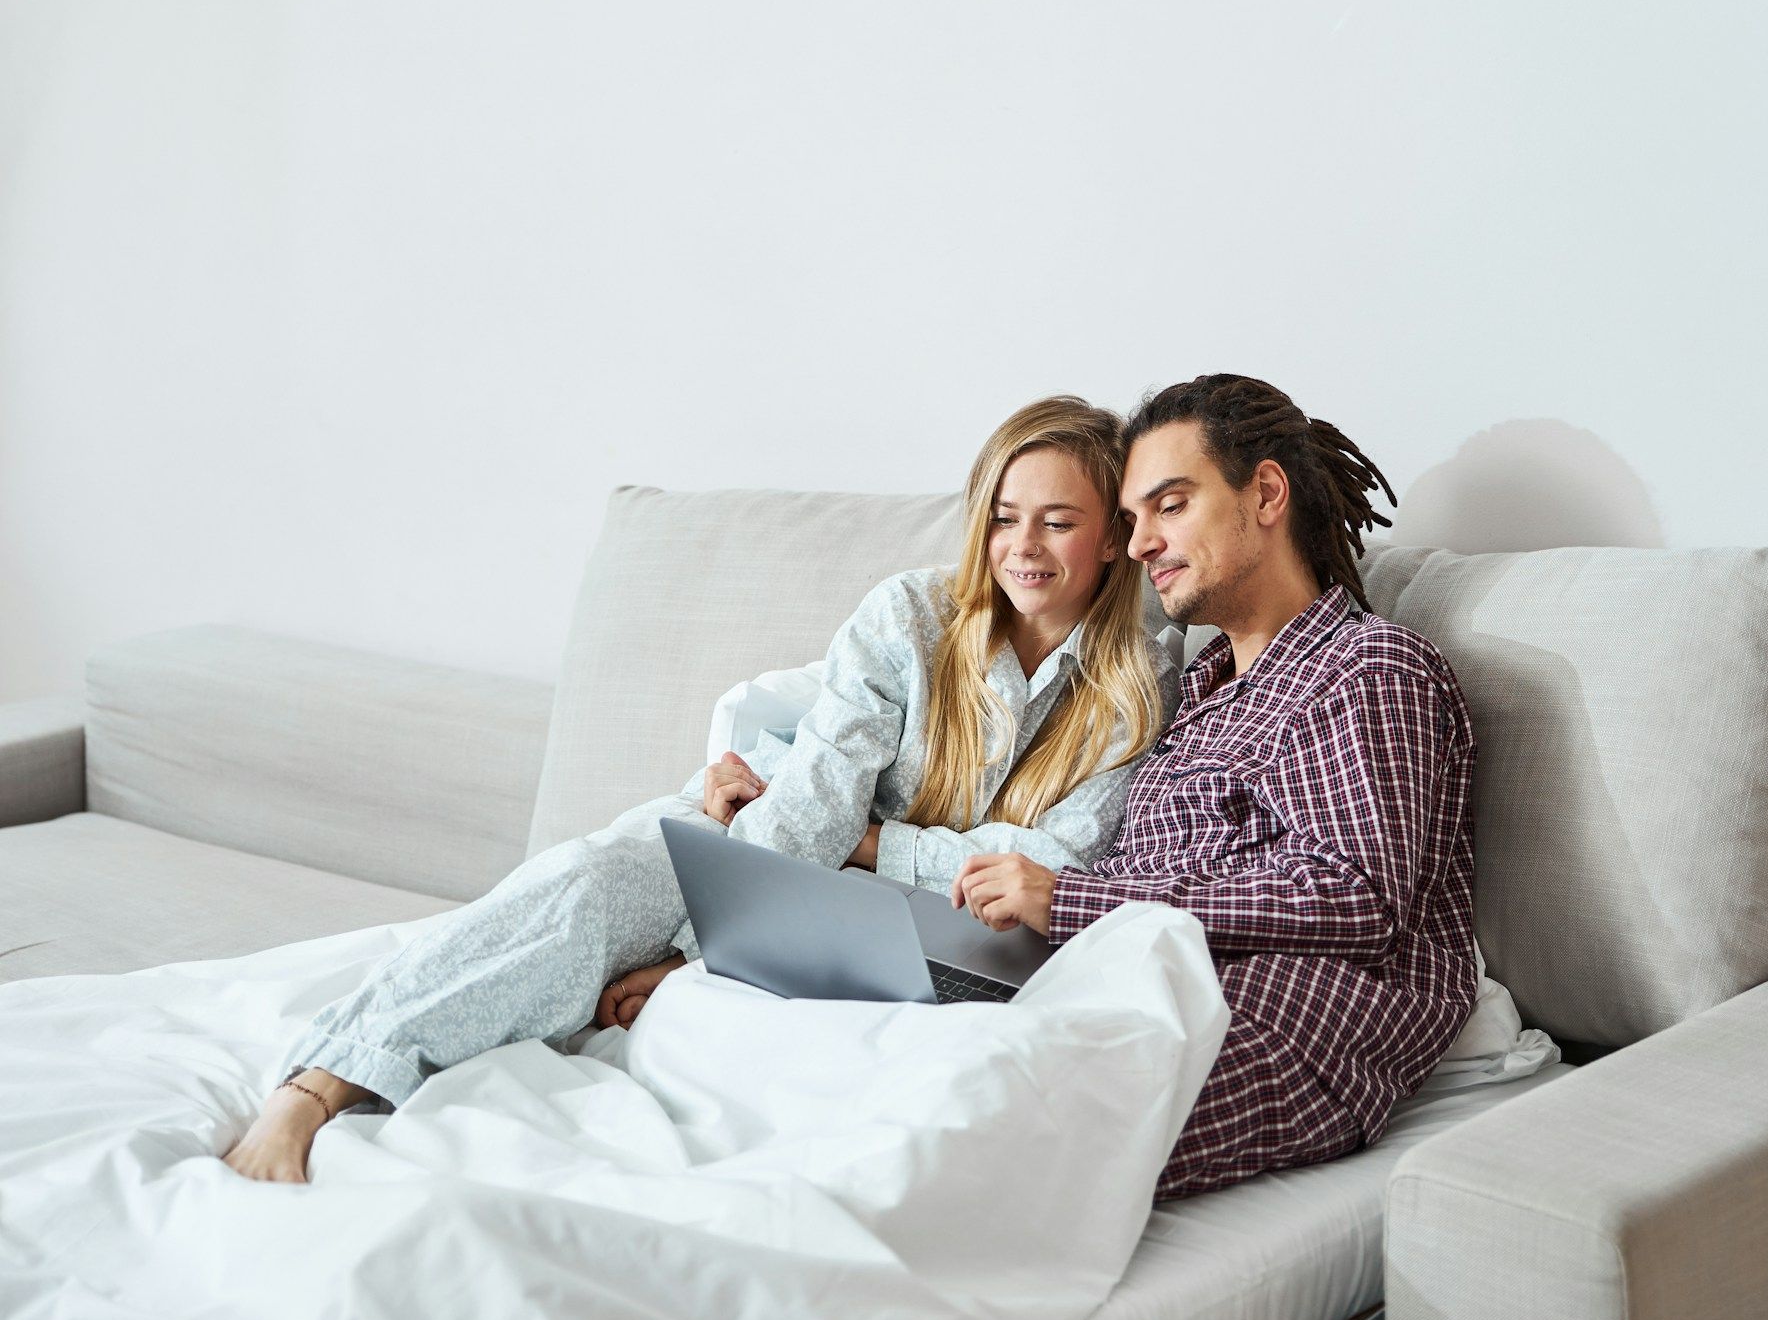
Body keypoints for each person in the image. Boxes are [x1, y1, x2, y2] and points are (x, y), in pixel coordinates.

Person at [225, 394, 1181, 1182]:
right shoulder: (911, 615)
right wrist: (702, 941)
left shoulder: (1145, 674)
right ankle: (319, 1085)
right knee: (587, 890)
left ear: (1110, 540)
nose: (1025, 546)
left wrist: (873, 854)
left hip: (898, 911)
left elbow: (1057, 863)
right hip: (761, 844)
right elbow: (813, 800)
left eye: (1059, 522)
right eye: (1005, 517)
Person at [952, 374, 1476, 1198]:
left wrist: (1072, 903)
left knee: (976, 1145)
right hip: (1124, 992)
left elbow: (1354, 896)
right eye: (1131, 521)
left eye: (1170, 506)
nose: (1137, 545)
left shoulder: (1368, 667)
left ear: (1265, 493)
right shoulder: (1199, 689)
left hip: (1278, 1024)